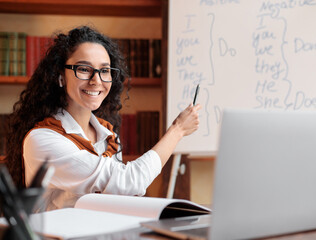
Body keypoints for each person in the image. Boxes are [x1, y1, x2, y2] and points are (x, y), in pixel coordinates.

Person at [5, 26, 201, 212]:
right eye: (83, 69)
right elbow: (130, 181)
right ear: (60, 76)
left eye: (105, 70)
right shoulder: (42, 139)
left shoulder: (108, 135)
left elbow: (116, 200)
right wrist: (178, 129)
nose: (96, 80)